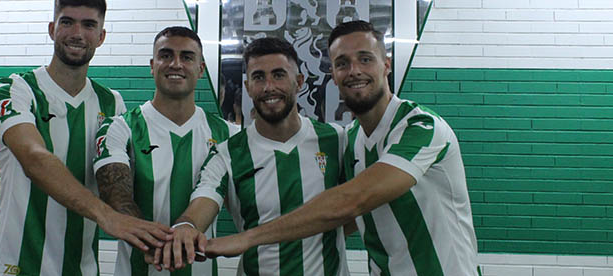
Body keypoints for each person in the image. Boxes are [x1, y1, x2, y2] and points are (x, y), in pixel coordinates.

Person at [205, 21, 480, 276]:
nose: (354, 71)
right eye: (342, 63)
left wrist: (247, 238)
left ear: (386, 65)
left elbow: (354, 200)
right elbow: (346, 217)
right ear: (333, 76)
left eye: (365, 59)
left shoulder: (422, 127)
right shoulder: (351, 139)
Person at [0, 0, 172, 276]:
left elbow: (121, 181)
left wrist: (160, 235)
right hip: (17, 266)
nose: (77, 33)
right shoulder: (16, 89)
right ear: (51, 29)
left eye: (88, 25)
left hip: (83, 269)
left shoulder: (112, 103)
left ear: (101, 36)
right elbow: (34, 159)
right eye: (67, 22)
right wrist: (106, 216)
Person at [162, 37, 351, 276]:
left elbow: (358, 208)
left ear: (299, 82)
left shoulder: (337, 139)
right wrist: (186, 226)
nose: (269, 86)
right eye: (259, 77)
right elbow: (203, 201)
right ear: (248, 86)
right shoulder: (227, 153)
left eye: (279, 75)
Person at [93, 26, 239, 275]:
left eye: (187, 57)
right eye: (166, 55)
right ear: (152, 65)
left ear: (201, 69)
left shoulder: (229, 135)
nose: (176, 64)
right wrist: (156, 243)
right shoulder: (119, 127)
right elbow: (117, 195)